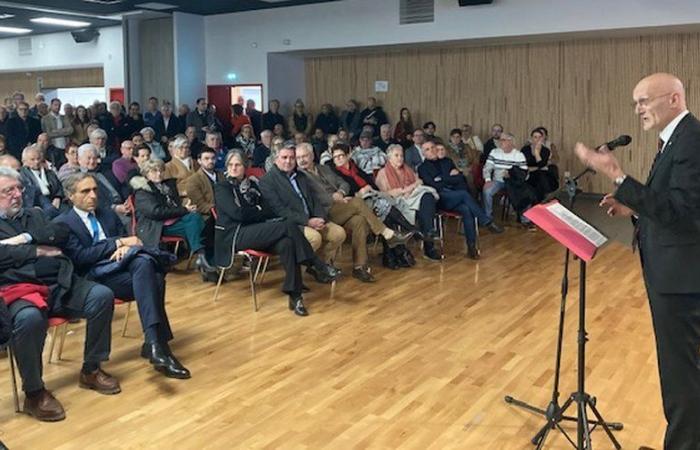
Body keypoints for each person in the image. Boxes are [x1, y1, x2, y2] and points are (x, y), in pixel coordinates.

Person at [574, 72, 700, 450]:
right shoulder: (675, 140)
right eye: (636, 102)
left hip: (680, 278)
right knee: (679, 372)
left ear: (674, 99)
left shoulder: (691, 141)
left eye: (644, 100)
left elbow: (685, 214)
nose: (638, 109)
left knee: (681, 375)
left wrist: (616, 174)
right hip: (670, 272)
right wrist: (633, 206)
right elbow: (671, 205)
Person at [0, 167, 120, 421]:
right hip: (20, 291)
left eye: (19, 188)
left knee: (101, 295)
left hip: (60, 282)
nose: (17, 194)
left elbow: (60, 232)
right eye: (8, 190)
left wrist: (24, 239)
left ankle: (91, 369)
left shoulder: (34, 214)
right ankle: (34, 392)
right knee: (28, 319)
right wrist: (35, 251)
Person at [55, 172, 190, 379]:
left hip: (120, 269)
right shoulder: (64, 222)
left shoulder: (107, 214)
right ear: (70, 196)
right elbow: (81, 257)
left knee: (144, 265)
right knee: (152, 274)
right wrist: (117, 244)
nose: (93, 195)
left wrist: (126, 247)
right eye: (85, 191)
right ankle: (157, 345)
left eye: (95, 190)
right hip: (92, 279)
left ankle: (155, 345)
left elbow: (128, 239)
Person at [214, 151, 340, 316]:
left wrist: (255, 210)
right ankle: (316, 263)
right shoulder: (222, 187)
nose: (234, 168)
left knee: (288, 243)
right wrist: (257, 210)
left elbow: (268, 210)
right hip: (235, 235)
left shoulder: (252, 185)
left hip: (259, 231)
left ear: (245, 167)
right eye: (230, 165)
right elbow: (237, 215)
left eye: (238, 165)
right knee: (287, 224)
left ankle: (295, 297)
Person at [296, 143, 412, 280]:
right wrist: (334, 198)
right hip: (323, 211)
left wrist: (340, 192)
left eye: (304, 156)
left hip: (340, 206)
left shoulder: (324, 168)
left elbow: (343, 183)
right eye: (298, 158)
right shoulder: (299, 176)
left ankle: (359, 267)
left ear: (312, 155)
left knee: (360, 221)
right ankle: (386, 233)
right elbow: (311, 196)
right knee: (357, 202)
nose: (301, 160)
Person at [259, 141, 346, 264]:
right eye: (284, 157)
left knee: (339, 233)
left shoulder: (301, 176)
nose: (288, 161)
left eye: (292, 158)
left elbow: (314, 200)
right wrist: (307, 221)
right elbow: (280, 210)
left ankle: (322, 264)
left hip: (312, 219)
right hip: (291, 224)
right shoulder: (267, 181)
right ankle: (313, 267)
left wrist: (320, 218)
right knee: (315, 238)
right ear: (275, 159)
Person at [130, 158, 215, 276]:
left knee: (197, 219)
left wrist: (185, 207)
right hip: (155, 227)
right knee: (194, 221)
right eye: (154, 171)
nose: (158, 174)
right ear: (146, 173)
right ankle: (205, 259)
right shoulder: (143, 192)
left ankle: (202, 257)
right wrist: (184, 210)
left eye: (160, 170)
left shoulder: (165, 186)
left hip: (172, 221)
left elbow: (174, 205)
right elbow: (156, 213)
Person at [418, 141, 503, 259]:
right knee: (463, 194)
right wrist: (449, 178)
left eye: (433, 147)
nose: (432, 150)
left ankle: (471, 248)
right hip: (439, 199)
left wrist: (442, 178)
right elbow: (434, 185)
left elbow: (460, 178)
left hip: (454, 195)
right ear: (423, 154)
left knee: (467, 209)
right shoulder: (422, 168)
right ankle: (485, 220)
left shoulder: (446, 162)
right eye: (427, 149)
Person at [376, 144, 442, 261]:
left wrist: (409, 189)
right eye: (396, 155)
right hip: (396, 204)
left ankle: (429, 236)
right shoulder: (383, 173)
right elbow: (387, 194)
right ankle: (427, 241)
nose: (400, 158)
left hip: (412, 198)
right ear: (389, 158)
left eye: (401, 155)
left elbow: (420, 182)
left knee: (427, 197)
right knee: (423, 211)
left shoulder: (407, 169)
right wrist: (407, 189)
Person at [482, 133, 535, 227]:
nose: (500, 142)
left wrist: (512, 174)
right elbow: (487, 168)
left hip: (513, 182)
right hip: (497, 181)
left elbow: (524, 173)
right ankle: (487, 219)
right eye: (500, 139)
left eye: (503, 140)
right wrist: (487, 180)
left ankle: (525, 220)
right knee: (487, 191)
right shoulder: (494, 152)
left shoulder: (518, 155)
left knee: (527, 192)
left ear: (510, 142)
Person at [520, 128, 558, 202]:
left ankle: (539, 201)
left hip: (541, 173)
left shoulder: (545, 150)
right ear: (531, 138)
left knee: (540, 177)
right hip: (527, 172)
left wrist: (537, 152)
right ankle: (545, 199)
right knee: (540, 179)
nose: (537, 139)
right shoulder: (525, 149)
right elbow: (522, 163)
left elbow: (542, 165)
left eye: (539, 137)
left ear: (542, 138)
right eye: (535, 137)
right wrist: (533, 168)